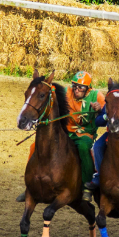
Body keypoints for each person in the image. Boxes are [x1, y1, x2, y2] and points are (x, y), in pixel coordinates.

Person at [17, 70, 105, 202]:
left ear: (87, 88)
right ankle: (30, 187)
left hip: (85, 134)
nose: (76, 90)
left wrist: (100, 109)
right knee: (35, 146)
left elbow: (108, 110)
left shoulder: (96, 96)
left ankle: (87, 187)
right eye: (75, 86)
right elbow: (48, 92)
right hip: (66, 132)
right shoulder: (67, 91)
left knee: (83, 148)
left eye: (80, 87)